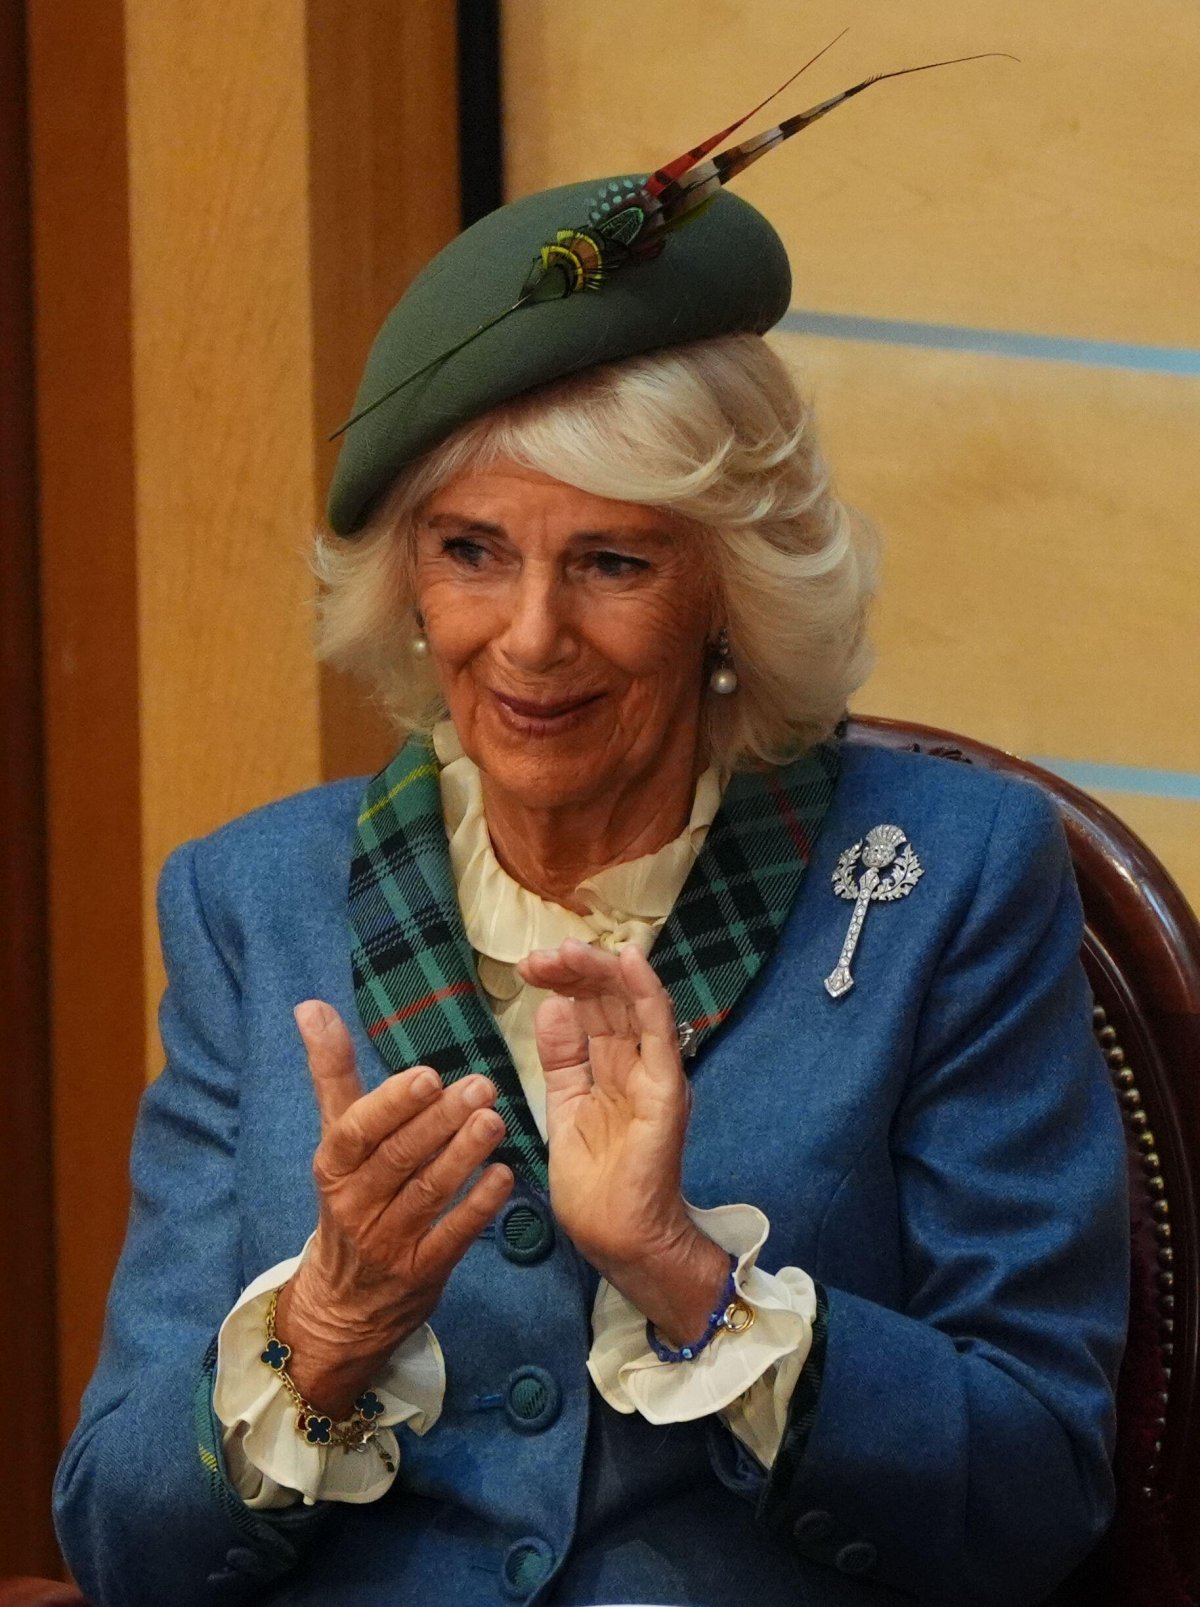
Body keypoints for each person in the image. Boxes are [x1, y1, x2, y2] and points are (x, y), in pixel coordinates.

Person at [54, 160, 1128, 1607]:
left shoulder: (949, 880)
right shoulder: (251, 900)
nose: (530, 638)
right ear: (408, 580)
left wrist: (691, 1281)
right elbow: (122, 1546)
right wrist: (328, 1326)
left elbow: (1039, 1489)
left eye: (612, 562)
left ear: (730, 593)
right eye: (471, 553)